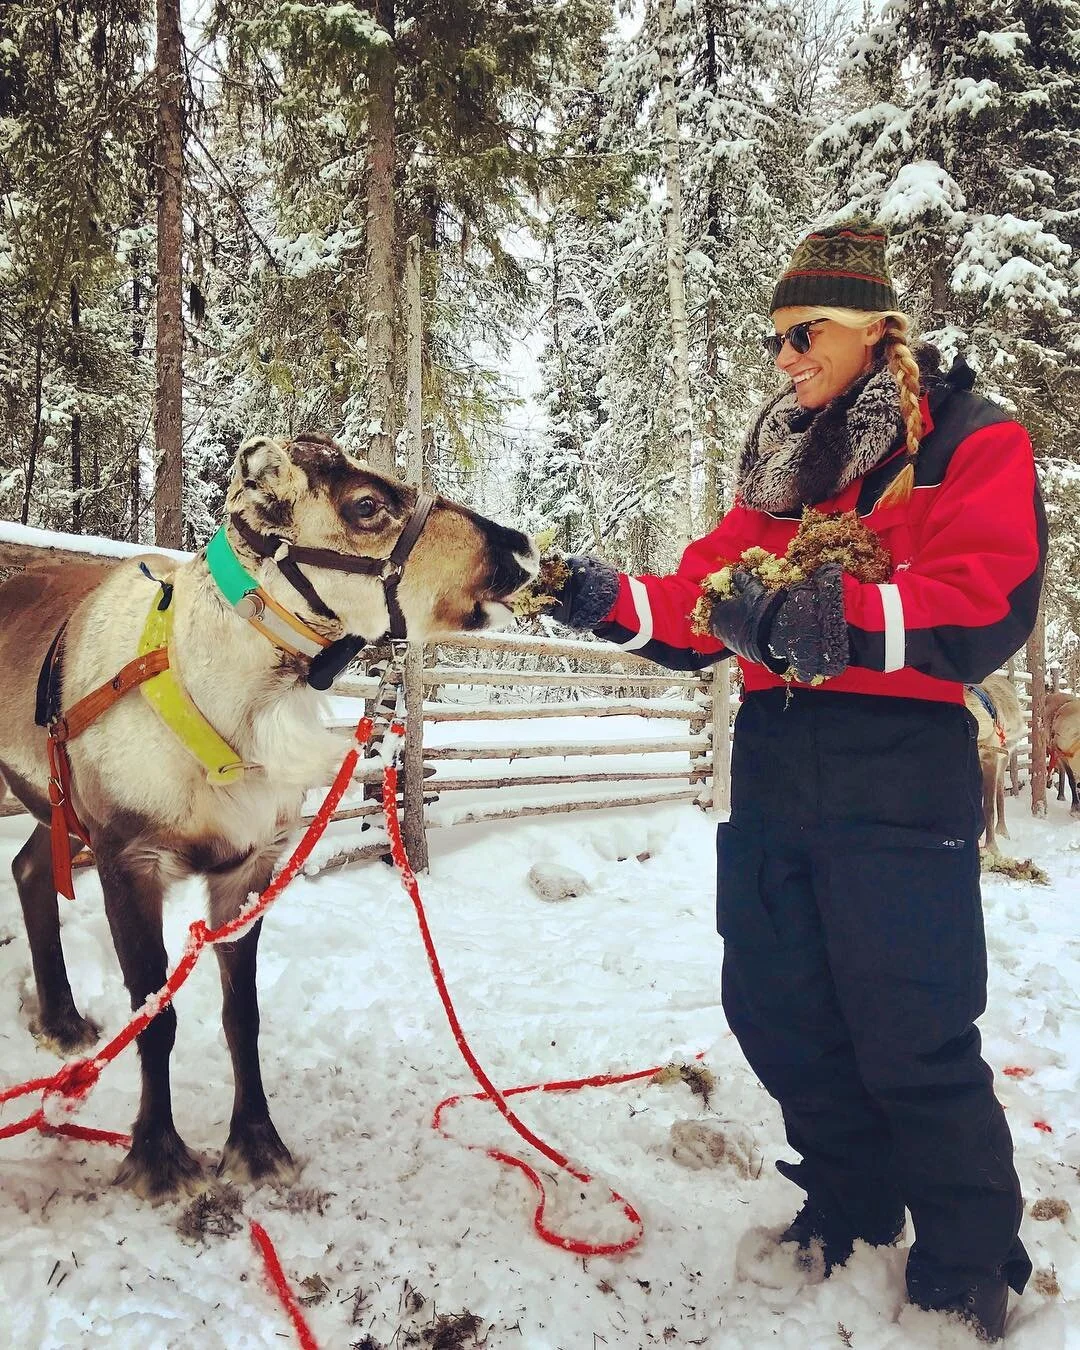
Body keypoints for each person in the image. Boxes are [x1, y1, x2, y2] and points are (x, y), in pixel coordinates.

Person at [546, 218, 1044, 1342]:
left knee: (909, 1026)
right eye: (775, 337)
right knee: (778, 1007)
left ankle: (971, 1252)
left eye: (802, 332)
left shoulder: (969, 437)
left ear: (875, 327)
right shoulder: (785, 468)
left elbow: (987, 595)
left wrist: (836, 617)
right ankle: (855, 1200)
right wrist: (595, 594)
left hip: (895, 776)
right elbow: (695, 603)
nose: (783, 356)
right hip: (776, 774)